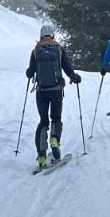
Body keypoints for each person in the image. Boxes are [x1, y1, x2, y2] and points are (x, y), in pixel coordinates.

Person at [26, 22, 81, 168]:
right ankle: (55, 145)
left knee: (43, 122)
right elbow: (68, 68)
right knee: (56, 119)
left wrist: (29, 72)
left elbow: (30, 73)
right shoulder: (59, 49)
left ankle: (42, 158)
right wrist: (75, 78)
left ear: (41, 35)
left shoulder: (36, 51)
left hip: (41, 92)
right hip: (56, 90)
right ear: (53, 35)